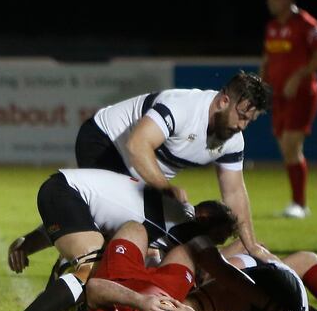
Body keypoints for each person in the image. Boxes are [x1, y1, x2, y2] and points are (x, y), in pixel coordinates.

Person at [0, 167, 239, 311]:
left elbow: (78, 219)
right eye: (216, 238)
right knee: (91, 271)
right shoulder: (185, 225)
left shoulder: (171, 215)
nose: (211, 246)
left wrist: (27, 244)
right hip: (65, 191)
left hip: (63, 190)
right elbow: (213, 267)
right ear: (204, 218)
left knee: (98, 264)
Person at [75, 71, 274, 259]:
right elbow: (137, 145)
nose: (242, 126)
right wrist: (165, 188)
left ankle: (61, 226)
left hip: (141, 168)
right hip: (105, 143)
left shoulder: (233, 139)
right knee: (112, 231)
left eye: (249, 121)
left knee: (148, 238)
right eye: (241, 116)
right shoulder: (183, 108)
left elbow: (234, 192)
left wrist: (251, 245)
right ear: (223, 101)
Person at [85, 222, 300, 311]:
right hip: (189, 292)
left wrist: (140, 301)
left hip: (126, 284)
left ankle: (153, 259)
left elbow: (94, 289)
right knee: (200, 249)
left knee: (135, 228)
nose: (163, 306)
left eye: (159, 310)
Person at [260, 0, 317, 219]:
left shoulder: (306, 24)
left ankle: (299, 204)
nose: (271, 2)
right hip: (278, 96)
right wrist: (261, 85)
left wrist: (299, 76)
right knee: (285, 147)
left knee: (292, 145)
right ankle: (297, 203)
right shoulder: (271, 26)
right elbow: (268, 59)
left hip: (301, 94)